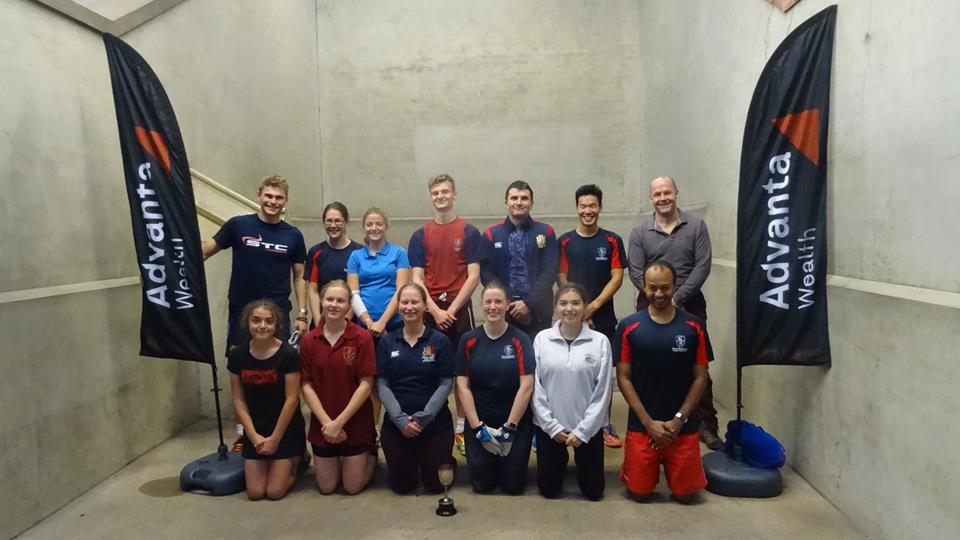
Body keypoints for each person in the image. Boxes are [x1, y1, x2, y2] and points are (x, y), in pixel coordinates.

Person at [627, 176, 721, 450]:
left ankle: (707, 425)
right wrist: (656, 296)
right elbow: (635, 271)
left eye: (667, 192)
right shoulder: (639, 232)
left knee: (698, 365)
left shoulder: (696, 226)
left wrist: (677, 297)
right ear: (651, 198)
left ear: (676, 193)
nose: (663, 197)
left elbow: (702, 265)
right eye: (657, 194)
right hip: (648, 304)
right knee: (646, 364)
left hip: (689, 303)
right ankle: (647, 420)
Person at [615, 260, 710, 504]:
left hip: (683, 427)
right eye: (652, 288)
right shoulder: (628, 327)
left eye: (665, 288)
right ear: (643, 288)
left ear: (675, 286)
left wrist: (679, 420)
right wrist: (649, 423)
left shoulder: (694, 325)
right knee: (639, 494)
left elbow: (701, 377)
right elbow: (623, 377)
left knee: (687, 496)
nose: (659, 294)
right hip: (643, 426)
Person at [408, 174, 484, 456]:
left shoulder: (470, 232)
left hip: (459, 312)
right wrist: (434, 310)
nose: (440, 196)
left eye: (444, 192)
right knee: (430, 370)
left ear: (454, 194)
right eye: (435, 193)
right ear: (431, 197)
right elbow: (417, 278)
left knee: (463, 373)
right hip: (429, 313)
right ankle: (430, 422)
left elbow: (474, 276)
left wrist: (450, 310)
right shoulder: (420, 235)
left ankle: (462, 429)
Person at [202, 175, 309, 353]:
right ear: (258, 196)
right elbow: (204, 252)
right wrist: (166, 265)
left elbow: (299, 277)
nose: (273, 201)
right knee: (239, 364)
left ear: (285, 201)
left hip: (278, 312)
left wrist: (302, 314)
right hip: (242, 311)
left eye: (278, 197)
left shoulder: (293, 235)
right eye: (268, 196)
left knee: (282, 366)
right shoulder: (237, 225)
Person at [557, 184, 627, 449]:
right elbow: (562, 277)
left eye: (593, 205)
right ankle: (569, 421)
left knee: (603, 375)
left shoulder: (611, 240)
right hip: (572, 318)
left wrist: (593, 306)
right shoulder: (564, 241)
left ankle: (605, 423)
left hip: (604, 319)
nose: (588, 210)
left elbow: (617, 276)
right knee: (570, 371)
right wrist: (578, 309)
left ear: (600, 207)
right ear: (577, 208)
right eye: (583, 206)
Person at [531, 284, 611, 501]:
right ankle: (558, 461)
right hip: (551, 429)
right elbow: (535, 388)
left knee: (594, 492)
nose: (569, 309)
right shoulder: (541, 340)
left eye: (576, 303)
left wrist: (583, 431)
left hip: (588, 429)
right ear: (555, 307)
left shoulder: (600, 342)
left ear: (585, 307)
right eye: (563, 303)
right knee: (548, 490)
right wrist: (552, 426)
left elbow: (603, 392)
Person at [455, 282, 535, 495]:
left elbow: (526, 386)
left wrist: (510, 428)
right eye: (488, 302)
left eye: (498, 301)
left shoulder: (520, 339)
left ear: (507, 304)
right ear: (481, 305)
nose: (493, 307)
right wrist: (477, 428)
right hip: (480, 421)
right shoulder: (469, 340)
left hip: (514, 423)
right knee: (482, 485)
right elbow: (462, 385)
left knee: (513, 487)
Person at [376, 283, 456, 494]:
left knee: (437, 485)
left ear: (425, 306)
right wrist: (400, 419)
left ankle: (445, 458)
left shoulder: (440, 341)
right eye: (404, 302)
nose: (409, 307)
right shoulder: (387, 343)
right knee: (402, 487)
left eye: (415, 302)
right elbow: (382, 384)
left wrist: (425, 417)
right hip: (397, 427)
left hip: (435, 425)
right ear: (398, 306)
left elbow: (446, 383)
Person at [300, 280, 377, 495]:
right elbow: (306, 385)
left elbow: (366, 383)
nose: (334, 304)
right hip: (323, 424)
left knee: (352, 487)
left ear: (349, 305)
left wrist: (340, 422)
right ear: (322, 302)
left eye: (340, 300)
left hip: (355, 422)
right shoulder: (308, 340)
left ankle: (371, 453)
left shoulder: (362, 338)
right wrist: (328, 424)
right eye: (329, 299)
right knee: (327, 487)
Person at [227, 299, 307, 501]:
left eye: (268, 321)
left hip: (284, 429)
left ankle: (299, 459)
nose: (262, 326)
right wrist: (253, 437)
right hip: (256, 428)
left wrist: (275, 439)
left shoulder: (288, 355)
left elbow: (292, 399)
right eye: (256, 321)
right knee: (255, 493)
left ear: (276, 325)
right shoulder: (237, 355)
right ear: (248, 323)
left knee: (274, 492)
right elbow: (238, 399)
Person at [481, 180, 559, 339]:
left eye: (524, 198)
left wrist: (528, 304)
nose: (519, 202)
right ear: (506, 203)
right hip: (503, 312)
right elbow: (486, 274)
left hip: (538, 313)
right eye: (514, 198)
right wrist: (509, 304)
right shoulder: (491, 234)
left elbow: (550, 271)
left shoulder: (546, 232)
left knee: (537, 361)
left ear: (531, 203)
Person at [347, 208, 411, 338]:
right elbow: (353, 294)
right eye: (369, 224)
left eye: (379, 224)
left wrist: (382, 322)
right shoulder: (356, 256)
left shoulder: (399, 253)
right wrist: (370, 324)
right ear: (364, 228)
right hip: (364, 324)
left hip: (394, 323)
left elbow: (401, 291)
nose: (374, 228)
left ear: (386, 226)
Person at [305, 202, 363, 324]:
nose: (333, 225)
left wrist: (347, 318)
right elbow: (313, 290)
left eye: (338, 221)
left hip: (352, 321)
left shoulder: (359, 252)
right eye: (328, 221)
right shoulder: (316, 252)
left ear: (345, 222)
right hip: (323, 319)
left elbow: (360, 290)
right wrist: (317, 322)